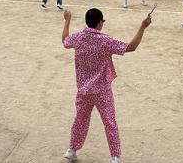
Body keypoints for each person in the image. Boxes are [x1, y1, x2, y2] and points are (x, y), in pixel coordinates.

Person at [62, 8, 152, 163]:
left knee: (80, 120)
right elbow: (130, 47)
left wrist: (67, 20)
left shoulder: (78, 38)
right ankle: (115, 157)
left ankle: (72, 149)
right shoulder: (105, 40)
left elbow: (65, 41)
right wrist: (142, 27)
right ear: (99, 23)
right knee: (110, 123)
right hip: (102, 91)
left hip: (84, 90)